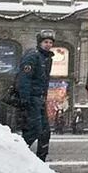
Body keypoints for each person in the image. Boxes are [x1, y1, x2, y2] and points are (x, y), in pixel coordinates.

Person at [16, 28, 56, 161]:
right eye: (45, 42)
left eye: (50, 42)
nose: (48, 44)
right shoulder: (32, 56)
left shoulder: (47, 58)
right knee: (34, 130)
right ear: (39, 43)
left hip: (40, 99)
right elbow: (24, 78)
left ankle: (41, 161)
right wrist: (25, 98)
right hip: (32, 98)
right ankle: (16, 155)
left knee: (45, 132)